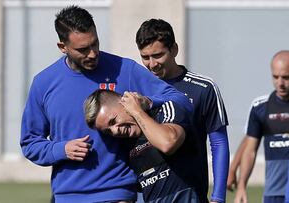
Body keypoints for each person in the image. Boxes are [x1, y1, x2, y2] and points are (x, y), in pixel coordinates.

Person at [20, 6, 192, 203]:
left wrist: (147, 102)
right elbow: (30, 143)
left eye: (95, 44)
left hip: (118, 193)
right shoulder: (44, 83)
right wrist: (61, 149)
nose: (92, 54)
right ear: (63, 47)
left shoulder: (124, 69)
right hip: (67, 196)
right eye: (83, 49)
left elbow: (178, 98)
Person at [135, 19, 230, 203]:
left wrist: (218, 197)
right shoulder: (137, 91)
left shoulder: (203, 88)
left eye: (158, 55)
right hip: (147, 196)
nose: (152, 64)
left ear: (174, 49)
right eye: (145, 57)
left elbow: (218, 143)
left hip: (191, 194)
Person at [84, 89, 204, 202]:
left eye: (113, 121)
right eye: (108, 131)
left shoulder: (164, 111)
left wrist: (137, 111)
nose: (115, 131)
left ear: (125, 103)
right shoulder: (126, 147)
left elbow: (168, 143)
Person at [233, 50, 289, 203]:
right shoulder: (260, 107)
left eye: (286, 77)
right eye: (275, 77)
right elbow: (249, 151)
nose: (280, 83)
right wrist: (242, 186)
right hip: (273, 193)